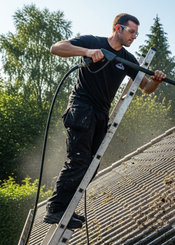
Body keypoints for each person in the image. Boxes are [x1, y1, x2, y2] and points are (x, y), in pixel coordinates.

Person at [44, 13, 166, 229]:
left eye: (137, 34)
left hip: (101, 115)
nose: (134, 37)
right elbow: (56, 48)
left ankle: (66, 210)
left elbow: (146, 88)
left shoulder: (128, 60)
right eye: (131, 32)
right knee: (79, 159)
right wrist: (87, 52)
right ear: (118, 28)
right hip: (81, 108)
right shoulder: (94, 42)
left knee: (92, 166)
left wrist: (156, 81)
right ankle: (55, 209)